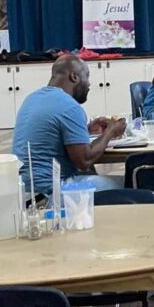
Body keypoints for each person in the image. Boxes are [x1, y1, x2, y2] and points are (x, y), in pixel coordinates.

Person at [12, 55, 126, 199]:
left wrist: (86, 129)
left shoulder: (32, 98)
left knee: (92, 176)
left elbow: (53, 134)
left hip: (25, 191)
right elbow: (85, 161)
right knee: (129, 184)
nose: (89, 84)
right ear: (74, 77)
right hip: (53, 190)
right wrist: (111, 131)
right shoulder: (69, 106)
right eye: (87, 76)